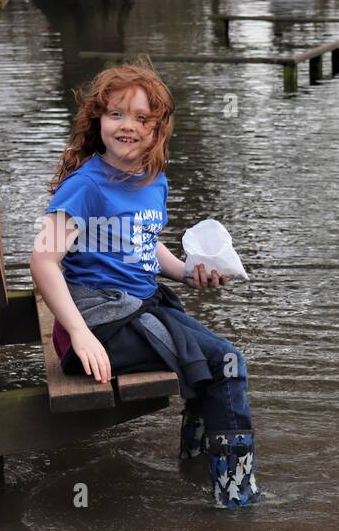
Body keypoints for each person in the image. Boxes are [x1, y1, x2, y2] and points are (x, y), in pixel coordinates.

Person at [30, 57, 261, 507]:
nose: (127, 126)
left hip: (135, 310)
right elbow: (42, 261)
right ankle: (235, 500)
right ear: (98, 119)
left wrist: (185, 272)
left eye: (141, 118)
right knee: (225, 365)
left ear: (157, 129)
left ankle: (198, 472)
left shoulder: (152, 180)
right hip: (97, 328)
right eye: (116, 114)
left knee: (219, 363)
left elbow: (145, 244)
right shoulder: (86, 186)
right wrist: (80, 335)